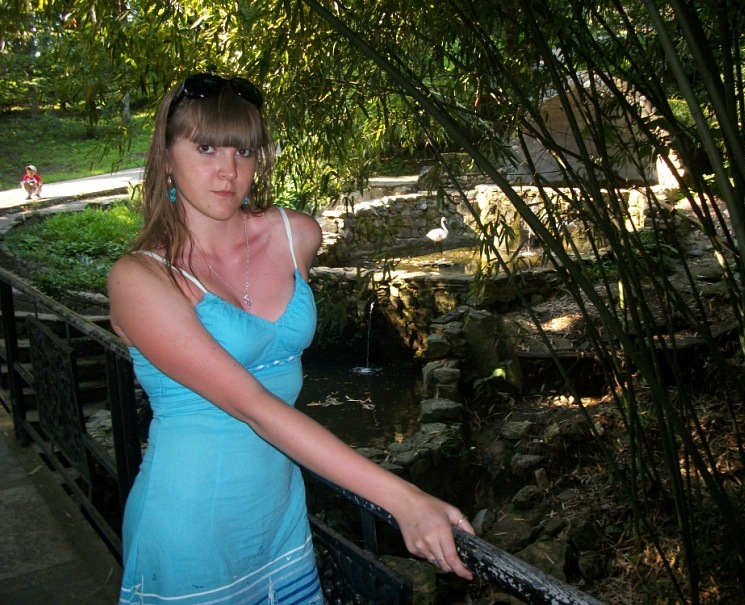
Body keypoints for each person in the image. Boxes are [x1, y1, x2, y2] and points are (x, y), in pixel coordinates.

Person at [108, 73, 474, 605]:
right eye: (206, 148)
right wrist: (403, 499)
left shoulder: (296, 235)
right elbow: (253, 406)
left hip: (281, 522)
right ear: (166, 157)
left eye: (243, 151)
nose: (228, 171)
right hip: (190, 530)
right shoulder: (140, 279)